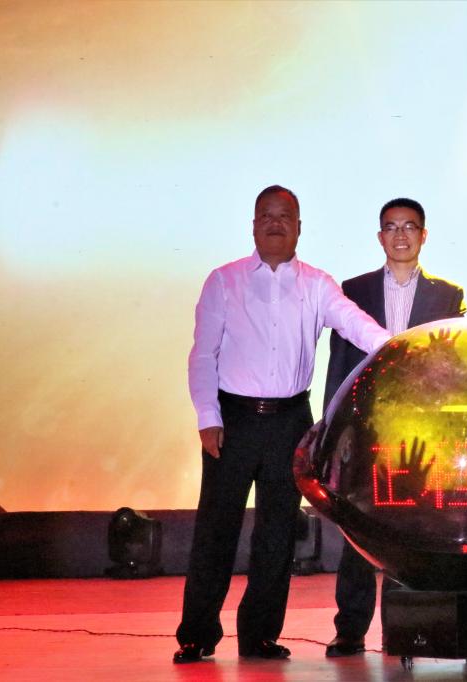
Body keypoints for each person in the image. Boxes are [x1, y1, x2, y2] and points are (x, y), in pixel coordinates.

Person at [175, 185, 391, 664]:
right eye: (266, 215)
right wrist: (207, 416)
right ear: (254, 225)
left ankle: (259, 637)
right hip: (232, 420)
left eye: (285, 215)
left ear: (298, 227)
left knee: (277, 534)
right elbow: (203, 354)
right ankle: (196, 634)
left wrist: (398, 348)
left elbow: (355, 324)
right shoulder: (224, 280)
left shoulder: (317, 283)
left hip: (291, 420)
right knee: (216, 529)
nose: (275, 222)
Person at [323, 198, 466, 658]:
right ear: (379, 236)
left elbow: (451, 368)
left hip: (423, 433)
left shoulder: (448, 295)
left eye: (409, 226)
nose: (400, 235)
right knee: (359, 532)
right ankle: (350, 629)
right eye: (391, 227)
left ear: (424, 235)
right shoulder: (353, 289)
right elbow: (340, 363)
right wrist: (333, 425)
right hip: (367, 429)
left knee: (416, 532)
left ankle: (407, 632)